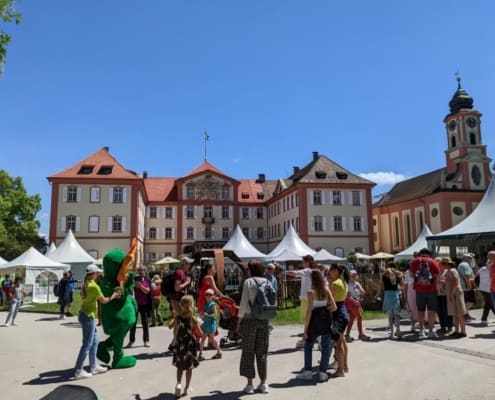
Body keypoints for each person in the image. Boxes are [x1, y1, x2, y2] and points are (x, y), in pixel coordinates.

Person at [74, 264, 121, 379]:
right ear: (94, 274)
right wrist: (114, 295)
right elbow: (104, 301)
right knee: (87, 344)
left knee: (94, 341)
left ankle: (93, 366)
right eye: (98, 273)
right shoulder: (94, 286)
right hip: (88, 317)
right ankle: (78, 371)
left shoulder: (86, 284)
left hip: (86, 315)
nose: (99, 274)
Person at [237, 260, 273, 394]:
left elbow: (244, 304)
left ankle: (250, 384)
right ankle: (263, 383)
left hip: (250, 320)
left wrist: (239, 321)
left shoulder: (249, 282)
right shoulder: (267, 282)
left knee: (248, 351)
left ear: (251, 270)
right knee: (262, 351)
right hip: (264, 320)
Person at [296, 270, 337, 382]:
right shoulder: (326, 289)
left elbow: (309, 311)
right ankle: (323, 372)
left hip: (314, 321)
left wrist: (305, 331)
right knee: (325, 347)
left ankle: (308, 371)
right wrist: (325, 309)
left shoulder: (310, 292)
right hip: (325, 320)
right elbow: (334, 307)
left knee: (308, 346)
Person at [285, 255, 318, 348]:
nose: (302, 263)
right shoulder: (313, 271)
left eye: (303, 262)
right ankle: (314, 337)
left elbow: (295, 273)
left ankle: (306, 338)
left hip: (306, 298)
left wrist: (285, 272)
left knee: (307, 319)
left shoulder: (307, 270)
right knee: (310, 319)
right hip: (310, 298)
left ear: (308, 262)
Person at [171, 294, 201, 397]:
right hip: (189, 344)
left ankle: (178, 383)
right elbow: (200, 333)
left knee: (180, 366)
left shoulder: (178, 317)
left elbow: (170, 327)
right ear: (191, 305)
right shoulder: (192, 318)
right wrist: (198, 325)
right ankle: (187, 388)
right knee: (189, 367)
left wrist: (175, 318)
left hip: (180, 343)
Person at [409, 248, 440, 339]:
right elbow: (438, 275)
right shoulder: (433, 261)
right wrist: (435, 285)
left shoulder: (414, 261)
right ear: (429, 254)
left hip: (419, 289)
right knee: (431, 310)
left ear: (420, 253)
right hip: (431, 289)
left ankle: (421, 331)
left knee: (420, 310)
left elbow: (411, 275)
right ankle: (430, 331)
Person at [326, 263, 350, 377]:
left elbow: (326, 299)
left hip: (338, 314)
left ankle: (340, 370)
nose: (329, 271)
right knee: (342, 341)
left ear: (336, 271)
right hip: (342, 311)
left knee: (339, 343)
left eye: (331, 269)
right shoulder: (343, 282)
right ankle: (344, 366)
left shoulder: (335, 284)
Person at [127, 266, 152, 348]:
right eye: (139, 271)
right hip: (134, 304)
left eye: (142, 270)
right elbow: (129, 291)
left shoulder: (147, 280)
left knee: (145, 323)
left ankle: (146, 340)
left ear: (145, 271)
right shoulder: (133, 280)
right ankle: (131, 341)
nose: (141, 272)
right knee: (133, 323)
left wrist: (140, 286)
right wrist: (133, 285)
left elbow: (147, 291)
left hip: (144, 304)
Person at [379, 264, 404, 339]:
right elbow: (402, 280)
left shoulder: (384, 277)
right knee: (396, 315)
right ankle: (398, 331)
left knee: (390, 316)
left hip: (387, 295)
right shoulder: (397, 277)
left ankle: (392, 333)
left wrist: (386, 271)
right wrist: (395, 271)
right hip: (395, 295)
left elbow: (382, 286)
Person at [444, 258, 467, 338]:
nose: (443, 265)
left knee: (459, 314)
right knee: (455, 314)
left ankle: (463, 332)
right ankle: (457, 331)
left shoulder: (452, 271)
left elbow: (455, 283)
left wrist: (451, 294)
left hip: (455, 294)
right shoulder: (451, 271)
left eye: (444, 264)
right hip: (454, 293)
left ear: (447, 264)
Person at [344, 270, 369, 341]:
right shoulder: (347, 283)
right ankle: (360, 334)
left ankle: (347, 335)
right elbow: (347, 295)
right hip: (351, 302)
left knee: (352, 318)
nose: (354, 276)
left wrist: (359, 288)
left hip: (356, 302)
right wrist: (355, 301)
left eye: (355, 275)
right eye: (352, 275)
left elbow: (363, 292)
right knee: (359, 317)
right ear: (349, 276)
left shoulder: (357, 283)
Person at [198, 288, 222, 361]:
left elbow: (215, 315)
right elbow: (205, 314)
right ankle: (200, 354)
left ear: (213, 296)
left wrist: (207, 315)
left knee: (211, 339)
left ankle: (219, 351)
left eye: (210, 294)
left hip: (211, 324)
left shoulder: (213, 304)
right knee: (203, 339)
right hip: (206, 323)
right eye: (206, 294)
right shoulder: (206, 304)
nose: (208, 296)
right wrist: (201, 315)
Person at [437, 258, 453, 334]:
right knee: (440, 311)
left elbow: (449, 282)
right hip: (438, 294)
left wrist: (442, 281)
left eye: (440, 264)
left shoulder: (447, 272)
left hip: (445, 294)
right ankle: (442, 326)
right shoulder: (438, 272)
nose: (439, 266)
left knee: (446, 311)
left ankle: (449, 326)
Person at [457, 254, 476, 321]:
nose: (471, 259)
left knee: (466, 301)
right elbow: (467, 276)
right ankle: (464, 314)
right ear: (465, 258)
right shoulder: (465, 265)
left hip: (463, 286)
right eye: (469, 258)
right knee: (471, 301)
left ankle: (466, 314)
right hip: (466, 287)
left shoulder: (461, 264)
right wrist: (469, 285)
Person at [478, 252, 495, 326]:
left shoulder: (489, 269)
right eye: (488, 262)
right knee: (491, 304)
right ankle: (484, 319)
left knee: (488, 304)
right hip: (487, 290)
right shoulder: (484, 269)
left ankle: (483, 319)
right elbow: (476, 277)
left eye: (490, 260)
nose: (489, 263)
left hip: (488, 289)